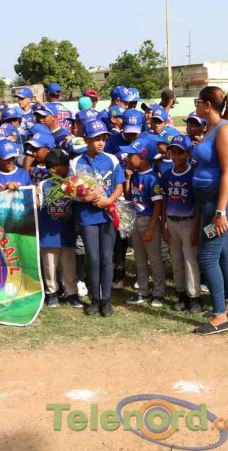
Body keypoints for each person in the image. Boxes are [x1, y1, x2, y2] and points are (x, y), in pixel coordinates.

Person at [190, 86, 228, 335]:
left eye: (198, 101)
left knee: (208, 257)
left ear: (208, 105)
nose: (196, 105)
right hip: (208, 199)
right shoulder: (211, 128)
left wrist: (220, 212)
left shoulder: (225, 130)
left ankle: (220, 316)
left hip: (219, 200)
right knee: (223, 253)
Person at [71, 120, 125, 318]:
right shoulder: (76, 162)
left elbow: (119, 185)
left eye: (103, 139)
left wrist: (108, 200)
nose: (101, 143)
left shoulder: (112, 159)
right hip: (88, 216)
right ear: (86, 140)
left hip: (108, 214)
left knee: (106, 258)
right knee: (93, 258)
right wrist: (84, 197)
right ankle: (94, 299)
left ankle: (106, 300)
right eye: (96, 139)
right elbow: (70, 189)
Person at [122, 136, 166, 307]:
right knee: (139, 259)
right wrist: (127, 179)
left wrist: (151, 228)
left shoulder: (152, 178)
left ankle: (159, 293)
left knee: (154, 259)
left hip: (148, 221)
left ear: (142, 157)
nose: (127, 158)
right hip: (135, 219)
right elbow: (128, 197)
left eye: (130, 155)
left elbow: (158, 205)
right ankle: (143, 291)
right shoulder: (134, 176)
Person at [160, 135, 202, 313]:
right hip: (172, 221)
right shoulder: (167, 174)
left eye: (181, 152)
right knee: (176, 260)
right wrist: (164, 225)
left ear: (189, 154)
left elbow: (198, 203)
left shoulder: (193, 174)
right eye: (174, 152)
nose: (176, 156)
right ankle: (181, 293)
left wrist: (196, 228)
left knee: (190, 260)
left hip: (189, 222)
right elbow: (164, 200)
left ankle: (195, 297)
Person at [38, 148, 81, 308]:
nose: (68, 167)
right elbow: (36, 205)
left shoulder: (73, 184)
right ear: (54, 168)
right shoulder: (43, 185)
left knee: (70, 266)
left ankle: (72, 293)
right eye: (64, 165)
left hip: (67, 232)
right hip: (48, 235)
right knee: (49, 266)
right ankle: (52, 292)